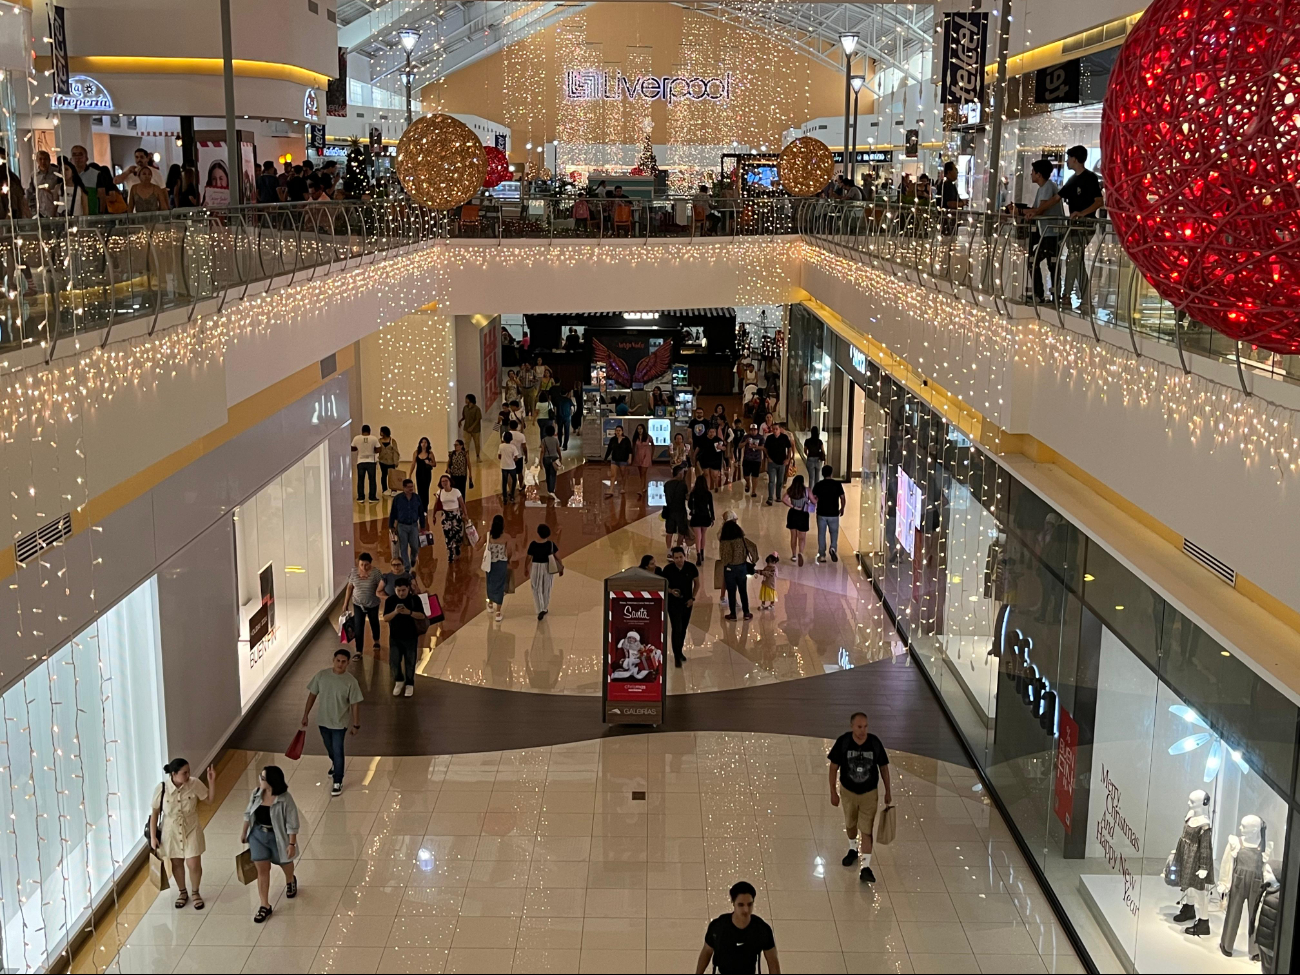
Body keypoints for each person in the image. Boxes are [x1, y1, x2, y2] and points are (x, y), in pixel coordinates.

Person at [828, 711, 892, 884]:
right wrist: (833, 792)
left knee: (866, 830)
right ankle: (852, 849)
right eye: (859, 727)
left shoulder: (874, 743)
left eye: (865, 726)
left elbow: (884, 768)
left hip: (869, 794)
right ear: (852, 727)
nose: (863, 730)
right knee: (850, 824)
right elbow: (833, 767)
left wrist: (888, 791)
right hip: (848, 792)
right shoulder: (843, 742)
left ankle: (866, 867)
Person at [148, 759, 217, 911]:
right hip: (170, 831)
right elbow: (154, 814)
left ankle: (195, 892)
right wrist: (153, 837)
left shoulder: (194, 784)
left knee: (194, 864)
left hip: (191, 827)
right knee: (177, 863)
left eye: (188, 772)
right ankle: (182, 892)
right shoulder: (162, 788)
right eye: (184, 773)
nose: (188, 775)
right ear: (173, 774)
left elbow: (210, 801)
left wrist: (212, 782)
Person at [240, 766, 301, 923]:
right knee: (262, 870)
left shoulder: (285, 799)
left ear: (271, 781)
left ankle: (290, 879)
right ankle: (264, 905)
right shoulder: (256, 793)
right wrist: (244, 832)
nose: (260, 779)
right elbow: (248, 813)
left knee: (285, 863)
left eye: (263, 777)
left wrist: (291, 844)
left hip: (278, 837)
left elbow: (292, 823)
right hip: (258, 835)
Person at [301, 649, 363, 796]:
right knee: (329, 747)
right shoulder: (321, 676)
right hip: (323, 720)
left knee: (338, 749)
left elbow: (355, 704)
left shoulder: (351, 682)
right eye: (338, 661)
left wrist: (356, 724)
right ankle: (335, 763)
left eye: (343, 662)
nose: (340, 664)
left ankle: (338, 780)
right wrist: (306, 714)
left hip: (339, 723)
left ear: (348, 663)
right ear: (333, 660)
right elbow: (312, 696)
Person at [1057, 144, 1105, 312]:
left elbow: (1099, 202)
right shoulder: (1072, 180)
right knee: (1076, 260)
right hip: (1076, 225)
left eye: (1069, 158)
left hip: (1085, 226)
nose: (1067, 161)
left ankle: (1066, 296)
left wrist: (1082, 214)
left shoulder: (1089, 178)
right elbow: (1057, 197)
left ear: (1075, 159)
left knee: (1073, 257)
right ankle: (1085, 299)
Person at [696, 881, 780, 975]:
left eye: (749, 904)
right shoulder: (718, 927)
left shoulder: (762, 930)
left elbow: (773, 963)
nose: (746, 910)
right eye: (741, 905)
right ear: (733, 902)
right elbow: (707, 952)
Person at [1021, 158, 1064, 303]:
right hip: (1047, 232)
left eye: (1033, 172)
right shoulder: (1043, 188)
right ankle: (1051, 295)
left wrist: (1022, 211)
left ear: (1039, 174)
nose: (1031, 174)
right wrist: (1022, 210)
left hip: (1052, 233)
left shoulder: (1047, 187)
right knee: (1048, 263)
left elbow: (1041, 209)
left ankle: (1042, 294)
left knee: (1036, 260)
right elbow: (1036, 209)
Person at [382, 576, 425, 697]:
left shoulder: (414, 599)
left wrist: (409, 612)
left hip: (411, 637)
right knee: (394, 662)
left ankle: (410, 683)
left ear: (408, 589)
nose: (401, 593)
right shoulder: (390, 601)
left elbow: (422, 615)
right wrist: (395, 612)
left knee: (410, 662)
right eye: (398, 590)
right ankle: (399, 680)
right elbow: (385, 618)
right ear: (395, 589)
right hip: (395, 637)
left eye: (403, 590)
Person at [661, 546, 699, 666]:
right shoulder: (667, 569)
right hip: (673, 603)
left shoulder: (691, 568)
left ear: (685, 556)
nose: (679, 560)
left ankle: (680, 650)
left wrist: (692, 598)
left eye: (681, 557)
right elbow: (663, 585)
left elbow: (697, 583)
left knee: (683, 628)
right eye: (676, 557)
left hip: (687, 603)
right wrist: (671, 591)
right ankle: (677, 655)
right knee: (676, 628)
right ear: (672, 558)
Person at [342, 552, 382, 660]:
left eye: (366, 565)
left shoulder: (376, 573)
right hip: (358, 604)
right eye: (361, 565)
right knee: (358, 627)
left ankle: (376, 640)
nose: (364, 567)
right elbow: (350, 587)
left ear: (370, 564)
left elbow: (382, 586)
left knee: (374, 623)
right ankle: (359, 651)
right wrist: (346, 603)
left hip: (372, 604)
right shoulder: (354, 572)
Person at [718, 514, 756, 620]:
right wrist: (754, 560)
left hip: (729, 569)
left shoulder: (724, 542)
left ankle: (733, 614)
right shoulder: (742, 539)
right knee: (743, 590)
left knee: (731, 591)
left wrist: (727, 564)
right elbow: (753, 548)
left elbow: (724, 557)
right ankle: (746, 613)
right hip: (742, 567)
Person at [524, 523, 563, 620]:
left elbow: (528, 558)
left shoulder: (533, 544)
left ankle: (540, 608)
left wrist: (525, 568)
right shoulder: (551, 544)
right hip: (548, 567)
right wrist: (561, 568)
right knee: (547, 587)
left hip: (536, 566)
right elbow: (558, 557)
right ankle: (545, 607)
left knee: (536, 587)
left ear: (538, 533)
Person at [388, 478, 426, 574]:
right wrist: (391, 525)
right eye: (408, 487)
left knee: (414, 546)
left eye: (412, 487)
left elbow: (421, 512)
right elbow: (393, 512)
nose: (411, 489)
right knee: (403, 547)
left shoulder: (417, 498)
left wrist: (422, 525)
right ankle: (407, 567)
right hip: (402, 526)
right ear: (403, 488)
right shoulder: (397, 499)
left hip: (413, 525)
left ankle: (413, 558)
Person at [812, 465, 846, 563]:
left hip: (822, 513)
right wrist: (842, 508)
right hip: (834, 513)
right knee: (834, 533)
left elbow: (814, 498)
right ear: (831, 473)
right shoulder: (837, 484)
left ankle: (822, 555)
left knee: (821, 534)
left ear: (822, 474)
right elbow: (842, 497)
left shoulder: (818, 485)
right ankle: (833, 548)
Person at [433, 474, 466, 561]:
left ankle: (457, 547)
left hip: (456, 515)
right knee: (447, 535)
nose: (444, 483)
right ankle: (450, 552)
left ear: (450, 482)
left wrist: (466, 515)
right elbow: (436, 504)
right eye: (442, 481)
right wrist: (433, 515)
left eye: (446, 481)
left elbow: (462, 504)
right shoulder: (439, 492)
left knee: (457, 534)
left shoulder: (456, 491)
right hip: (445, 516)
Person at [484, 514, 510, 622]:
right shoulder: (506, 537)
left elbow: (476, 546)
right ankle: (498, 612)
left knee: (490, 582)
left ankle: (490, 603)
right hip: (501, 563)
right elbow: (510, 551)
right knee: (500, 585)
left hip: (489, 563)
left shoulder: (488, 535)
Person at [783, 475, 813, 566]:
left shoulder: (791, 490)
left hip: (793, 513)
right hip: (803, 514)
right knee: (802, 537)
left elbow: (784, 499)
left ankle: (794, 555)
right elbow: (814, 501)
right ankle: (801, 552)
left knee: (793, 536)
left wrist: (793, 506)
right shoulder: (807, 490)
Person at [662, 463, 690, 555]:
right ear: (679, 473)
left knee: (669, 532)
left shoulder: (666, 485)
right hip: (680, 511)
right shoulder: (682, 485)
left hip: (669, 511)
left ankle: (668, 550)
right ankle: (678, 548)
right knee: (681, 531)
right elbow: (686, 497)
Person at [688, 475, 715, 567]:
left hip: (696, 517)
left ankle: (698, 554)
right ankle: (702, 553)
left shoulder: (693, 494)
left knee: (697, 536)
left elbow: (689, 505)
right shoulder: (708, 494)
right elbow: (711, 507)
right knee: (703, 535)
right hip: (705, 516)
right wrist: (712, 517)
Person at [26, 150, 62, 218]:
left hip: (55, 211)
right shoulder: (34, 175)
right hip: (40, 213)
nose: (43, 161)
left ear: (49, 160)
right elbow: (30, 194)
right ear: (37, 160)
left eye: (45, 159)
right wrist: (34, 212)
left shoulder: (56, 173)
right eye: (40, 159)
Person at [764, 422, 792, 505]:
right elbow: (765, 448)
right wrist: (768, 457)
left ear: (780, 429)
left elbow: (789, 448)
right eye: (773, 429)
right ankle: (770, 498)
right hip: (772, 463)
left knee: (780, 481)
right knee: (772, 481)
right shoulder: (769, 438)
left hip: (782, 463)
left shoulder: (784, 437)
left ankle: (778, 496)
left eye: (776, 429)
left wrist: (788, 459)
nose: (775, 431)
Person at [352, 423, 380, 502]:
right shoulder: (373, 438)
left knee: (360, 479)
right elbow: (378, 449)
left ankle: (360, 497)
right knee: (372, 479)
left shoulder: (356, 438)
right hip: (371, 461)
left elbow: (352, 448)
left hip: (360, 461)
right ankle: (372, 497)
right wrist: (372, 450)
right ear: (369, 431)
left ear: (362, 431)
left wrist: (360, 448)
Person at [604, 424, 632, 497]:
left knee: (623, 475)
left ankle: (623, 487)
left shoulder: (626, 440)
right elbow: (609, 449)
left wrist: (630, 458)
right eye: (616, 430)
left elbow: (630, 450)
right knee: (613, 475)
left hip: (623, 460)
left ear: (622, 431)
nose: (618, 432)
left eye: (619, 430)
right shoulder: (613, 439)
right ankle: (611, 489)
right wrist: (605, 458)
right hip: (614, 459)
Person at [409, 436, 437, 509]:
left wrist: (429, 463)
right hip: (419, 473)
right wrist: (410, 474)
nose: (423, 444)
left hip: (427, 474)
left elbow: (434, 464)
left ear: (427, 444)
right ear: (420, 443)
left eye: (425, 442)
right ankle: (420, 505)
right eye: (422, 442)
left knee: (426, 490)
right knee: (419, 490)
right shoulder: (416, 452)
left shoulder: (430, 453)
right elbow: (413, 464)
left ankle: (425, 506)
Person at [741, 423, 765, 496]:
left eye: (755, 430)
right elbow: (739, 446)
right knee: (746, 476)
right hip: (747, 459)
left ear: (757, 430)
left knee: (755, 476)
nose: (753, 431)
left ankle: (754, 491)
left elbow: (763, 447)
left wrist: (756, 447)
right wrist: (746, 442)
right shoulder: (746, 437)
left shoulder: (761, 438)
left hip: (756, 459)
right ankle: (748, 483)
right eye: (751, 430)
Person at [377, 426, 401, 497]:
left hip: (391, 461)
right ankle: (384, 489)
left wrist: (396, 461)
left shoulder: (392, 441)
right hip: (382, 461)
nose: (380, 433)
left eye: (381, 431)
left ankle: (394, 490)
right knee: (384, 475)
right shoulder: (379, 441)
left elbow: (396, 452)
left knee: (392, 476)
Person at [540, 422, 562, 496]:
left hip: (546, 458)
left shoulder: (544, 440)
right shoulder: (555, 440)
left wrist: (540, 461)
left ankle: (549, 488)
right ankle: (551, 490)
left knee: (547, 473)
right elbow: (558, 449)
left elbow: (542, 451)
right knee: (553, 474)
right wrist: (560, 457)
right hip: (554, 458)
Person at [631, 423, 653, 499]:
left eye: (641, 429)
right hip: (638, 455)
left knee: (643, 472)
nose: (640, 430)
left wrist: (652, 454)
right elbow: (633, 447)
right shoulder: (636, 438)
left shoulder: (647, 437)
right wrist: (632, 456)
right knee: (641, 473)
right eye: (638, 429)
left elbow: (653, 444)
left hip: (646, 455)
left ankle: (640, 489)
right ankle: (643, 486)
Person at [459, 393, 482, 460]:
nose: (465, 400)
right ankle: (466, 456)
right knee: (466, 443)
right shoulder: (465, 408)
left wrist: (472, 427)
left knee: (477, 443)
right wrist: (460, 420)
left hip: (476, 430)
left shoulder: (477, 409)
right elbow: (464, 416)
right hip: (466, 429)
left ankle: (478, 456)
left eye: (466, 399)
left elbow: (478, 419)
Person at [498, 430, 520, 502]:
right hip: (512, 466)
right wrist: (513, 460)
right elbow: (516, 458)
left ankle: (505, 497)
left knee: (504, 482)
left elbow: (499, 456)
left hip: (504, 466)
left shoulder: (501, 446)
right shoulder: (513, 447)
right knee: (514, 480)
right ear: (511, 439)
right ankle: (512, 494)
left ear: (503, 438)